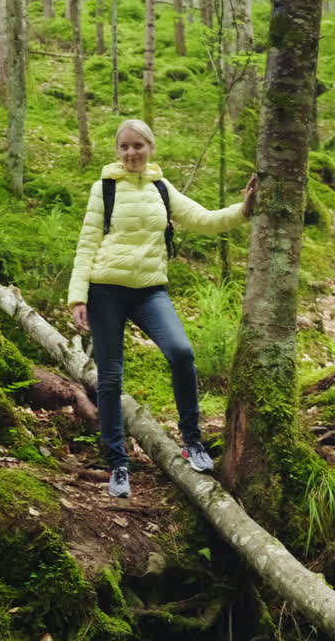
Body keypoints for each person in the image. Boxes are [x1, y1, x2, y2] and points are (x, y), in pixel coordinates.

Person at [67, 119, 256, 497]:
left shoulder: (161, 188)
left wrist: (244, 209)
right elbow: (87, 243)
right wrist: (78, 297)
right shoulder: (103, 189)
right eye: (124, 147)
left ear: (151, 147)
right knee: (110, 378)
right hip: (106, 291)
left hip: (150, 291)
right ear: (117, 151)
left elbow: (203, 219)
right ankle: (118, 464)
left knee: (182, 353)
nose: (131, 152)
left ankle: (192, 441)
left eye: (138, 145)